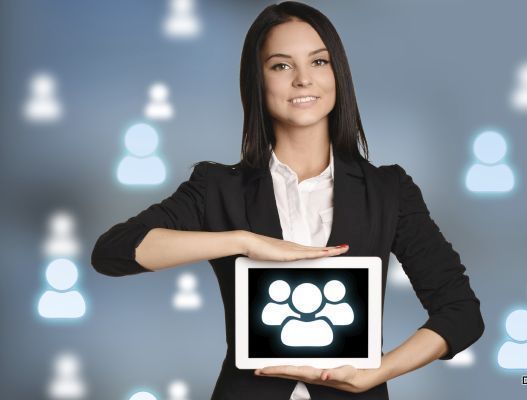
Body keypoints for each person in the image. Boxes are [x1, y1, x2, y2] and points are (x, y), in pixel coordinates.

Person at [91, 2, 484, 399]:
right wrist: (243, 241)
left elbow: (462, 313)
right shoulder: (218, 188)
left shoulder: (387, 190)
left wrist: (377, 371)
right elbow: (113, 251)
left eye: (318, 62)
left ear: (338, 73)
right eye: (281, 66)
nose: (302, 80)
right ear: (257, 82)